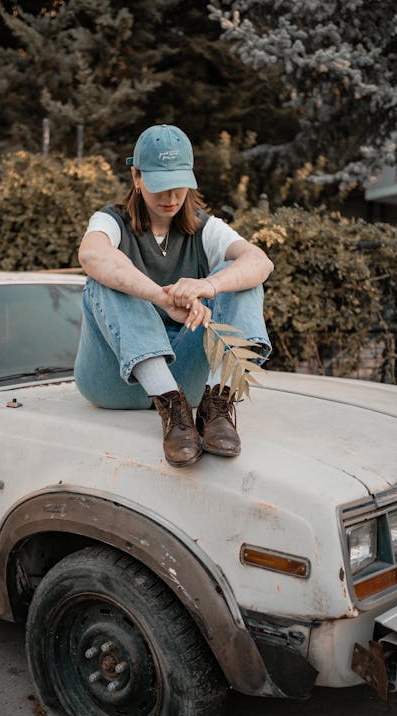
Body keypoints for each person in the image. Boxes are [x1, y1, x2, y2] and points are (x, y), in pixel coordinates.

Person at [75, 124, 273, 468]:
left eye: (178, 186)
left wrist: (208, 286)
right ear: (136, 176)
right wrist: (161, 297)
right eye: (159, 186)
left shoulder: (204, 227)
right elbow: (91, 255)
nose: (170, 198)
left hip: (188, 382)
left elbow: (260, 261)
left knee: (242, 276)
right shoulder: (110, 220)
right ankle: (169, 404)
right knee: (107, 274)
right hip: (110, 382)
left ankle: (218, 406)